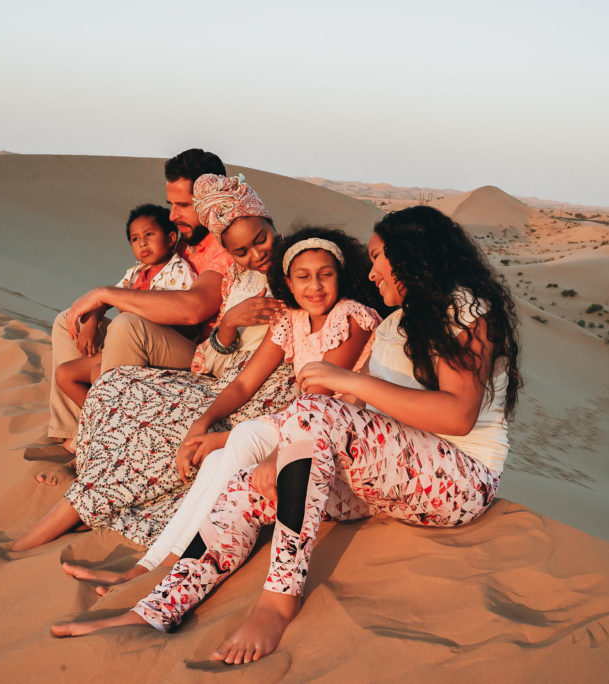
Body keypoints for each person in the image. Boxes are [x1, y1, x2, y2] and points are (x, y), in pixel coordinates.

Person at [50, 206, 523, 668]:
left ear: (411, 258)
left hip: (460, 479)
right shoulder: (398, 322)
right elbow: (365, 417)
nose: (374, 271)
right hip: (394, 478)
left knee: (316, 409)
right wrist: (276, 447)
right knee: (248, 487)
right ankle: (153, 609)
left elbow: (458, 415)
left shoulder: (464, 310)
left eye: (380, 256)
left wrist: (348, 383)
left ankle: (278, 602)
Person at [62, 227, 383, 591]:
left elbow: (319, 398)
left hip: (340, 433)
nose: (315, 287)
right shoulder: (291, 320)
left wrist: (220, 439)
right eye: (303, 277)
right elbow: (244, 383)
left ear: (341, 277)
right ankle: (145, 567)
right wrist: (203, 423)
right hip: (305, 424)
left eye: (326, 275)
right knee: (217, 462)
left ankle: (164, 570)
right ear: (288, 284)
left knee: (236, 445)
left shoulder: (352, 317)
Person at [11, 174, 297, 551]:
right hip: (217, 378)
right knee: (115, 385)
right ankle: (93, 460)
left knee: (136, 399)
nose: (256, 254)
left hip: (253, 393)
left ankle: (72, 504)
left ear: (271, 223)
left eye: (260, 240)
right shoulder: (237, 277)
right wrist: (229, 323)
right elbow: (212, 359)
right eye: (242, 250)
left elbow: (238, 355)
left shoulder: (295, 273)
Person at [45, 149, 233, 454]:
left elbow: (193, 308)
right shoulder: (183, 236)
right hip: (162, 335)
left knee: (128, 325)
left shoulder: (226, 245)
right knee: (70, 320)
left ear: (212, 199)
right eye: (171, 203)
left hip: (199, 352)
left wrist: (105, 294)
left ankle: (107, 444)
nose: (172, 215)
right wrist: (94, 312)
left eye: (183, 205)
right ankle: (74, 431)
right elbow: (139, 284)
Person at [54, 204, 195, 408]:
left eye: (149, 234)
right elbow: (107, 298)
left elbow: (187, 320)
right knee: (65, 374)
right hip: (123, 343)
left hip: (159, 349)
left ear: (171, 238)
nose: (142, 243)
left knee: (97, 374)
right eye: (135, 239)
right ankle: (92, 422)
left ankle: (105, 424)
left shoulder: (180, 271)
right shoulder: (136, 273)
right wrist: (91, 323)